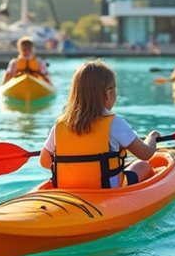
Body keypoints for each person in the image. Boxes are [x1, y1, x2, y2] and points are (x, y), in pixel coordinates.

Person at [39, 60, 160, 189]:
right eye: (114, 89)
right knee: (143, 165)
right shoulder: (115, 123)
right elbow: (146, 154)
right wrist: (152, 138)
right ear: (108, 94)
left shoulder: (60, 125)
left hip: (69, 188)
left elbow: (44, 161)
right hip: (107, 189)